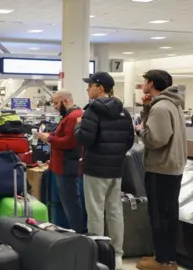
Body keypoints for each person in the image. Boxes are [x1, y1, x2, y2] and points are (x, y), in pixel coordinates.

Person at [75, 71, 134, 270]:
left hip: (95, 170)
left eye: (90, 85)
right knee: (115, 211)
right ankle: (117, 255)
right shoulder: (123, 111)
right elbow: (129, 141)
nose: (87, 89)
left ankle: (98, 255)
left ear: (100, 88)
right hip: (116, 169)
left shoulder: (92, 111)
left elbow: (86, 139)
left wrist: (78, 127)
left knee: (95, 213)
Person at [135, 70, 186, 270]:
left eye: (145, 81)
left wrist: (140, 132)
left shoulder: (162, 107)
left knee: (159, 215)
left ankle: (163, 261)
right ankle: (166, 257)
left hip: (161, 168)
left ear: (151, 83)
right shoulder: (170, 103)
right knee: (168, 213)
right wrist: (146, 108)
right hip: (172, 167)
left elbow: (157, 139)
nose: (143, 85)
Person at [37, 90, 85, 233]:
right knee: (69, 203)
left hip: (67, 167)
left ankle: (79, 234)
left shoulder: (73, 116)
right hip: (63, 166)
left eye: (56, 103)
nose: (55, 106)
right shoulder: (69, 116)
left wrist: (49, 138)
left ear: (65, 101)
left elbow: (69, 142)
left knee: (72, 204)